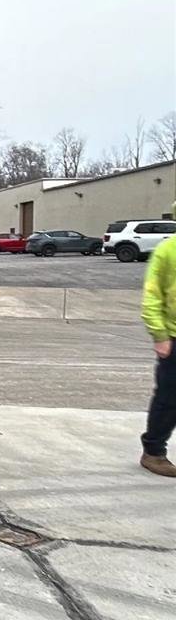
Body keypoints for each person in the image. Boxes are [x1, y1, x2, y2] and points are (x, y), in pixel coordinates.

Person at [140, 203, 176, 478]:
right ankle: (153, 452)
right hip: (173, 336)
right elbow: (152, 296)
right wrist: (160, 335)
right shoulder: (167, 250)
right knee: (169, 397)